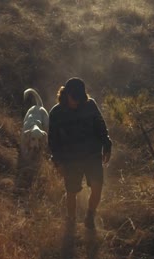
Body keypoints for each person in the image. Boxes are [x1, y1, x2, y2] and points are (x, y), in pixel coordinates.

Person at [48, 77, 112, 230]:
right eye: (73, 98)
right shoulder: (56, 113)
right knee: (71, 192)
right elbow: (53, 142)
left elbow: (101, 125)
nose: (76, 102)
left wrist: (107, 144)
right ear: (66, 94)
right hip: (70, 159)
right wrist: (58, 162)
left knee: (97, 187)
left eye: (79, 98)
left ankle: (90, 215)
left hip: (92, 155)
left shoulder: (90, 105)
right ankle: (71, 221)